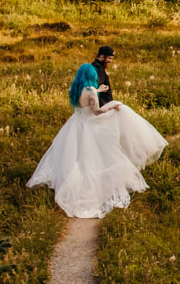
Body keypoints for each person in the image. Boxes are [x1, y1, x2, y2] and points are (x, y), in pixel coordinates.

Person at [28, 45, 169, 219]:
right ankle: (95, 191)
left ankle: (70, 189)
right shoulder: (91, 92)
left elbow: (84, 102)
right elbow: (97, 111)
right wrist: (113, 105)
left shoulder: (74, 90)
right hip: (89, 126)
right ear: (91, 76)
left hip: (74, 126)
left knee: (73, 159)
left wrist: (98, 91)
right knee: (95, 159)